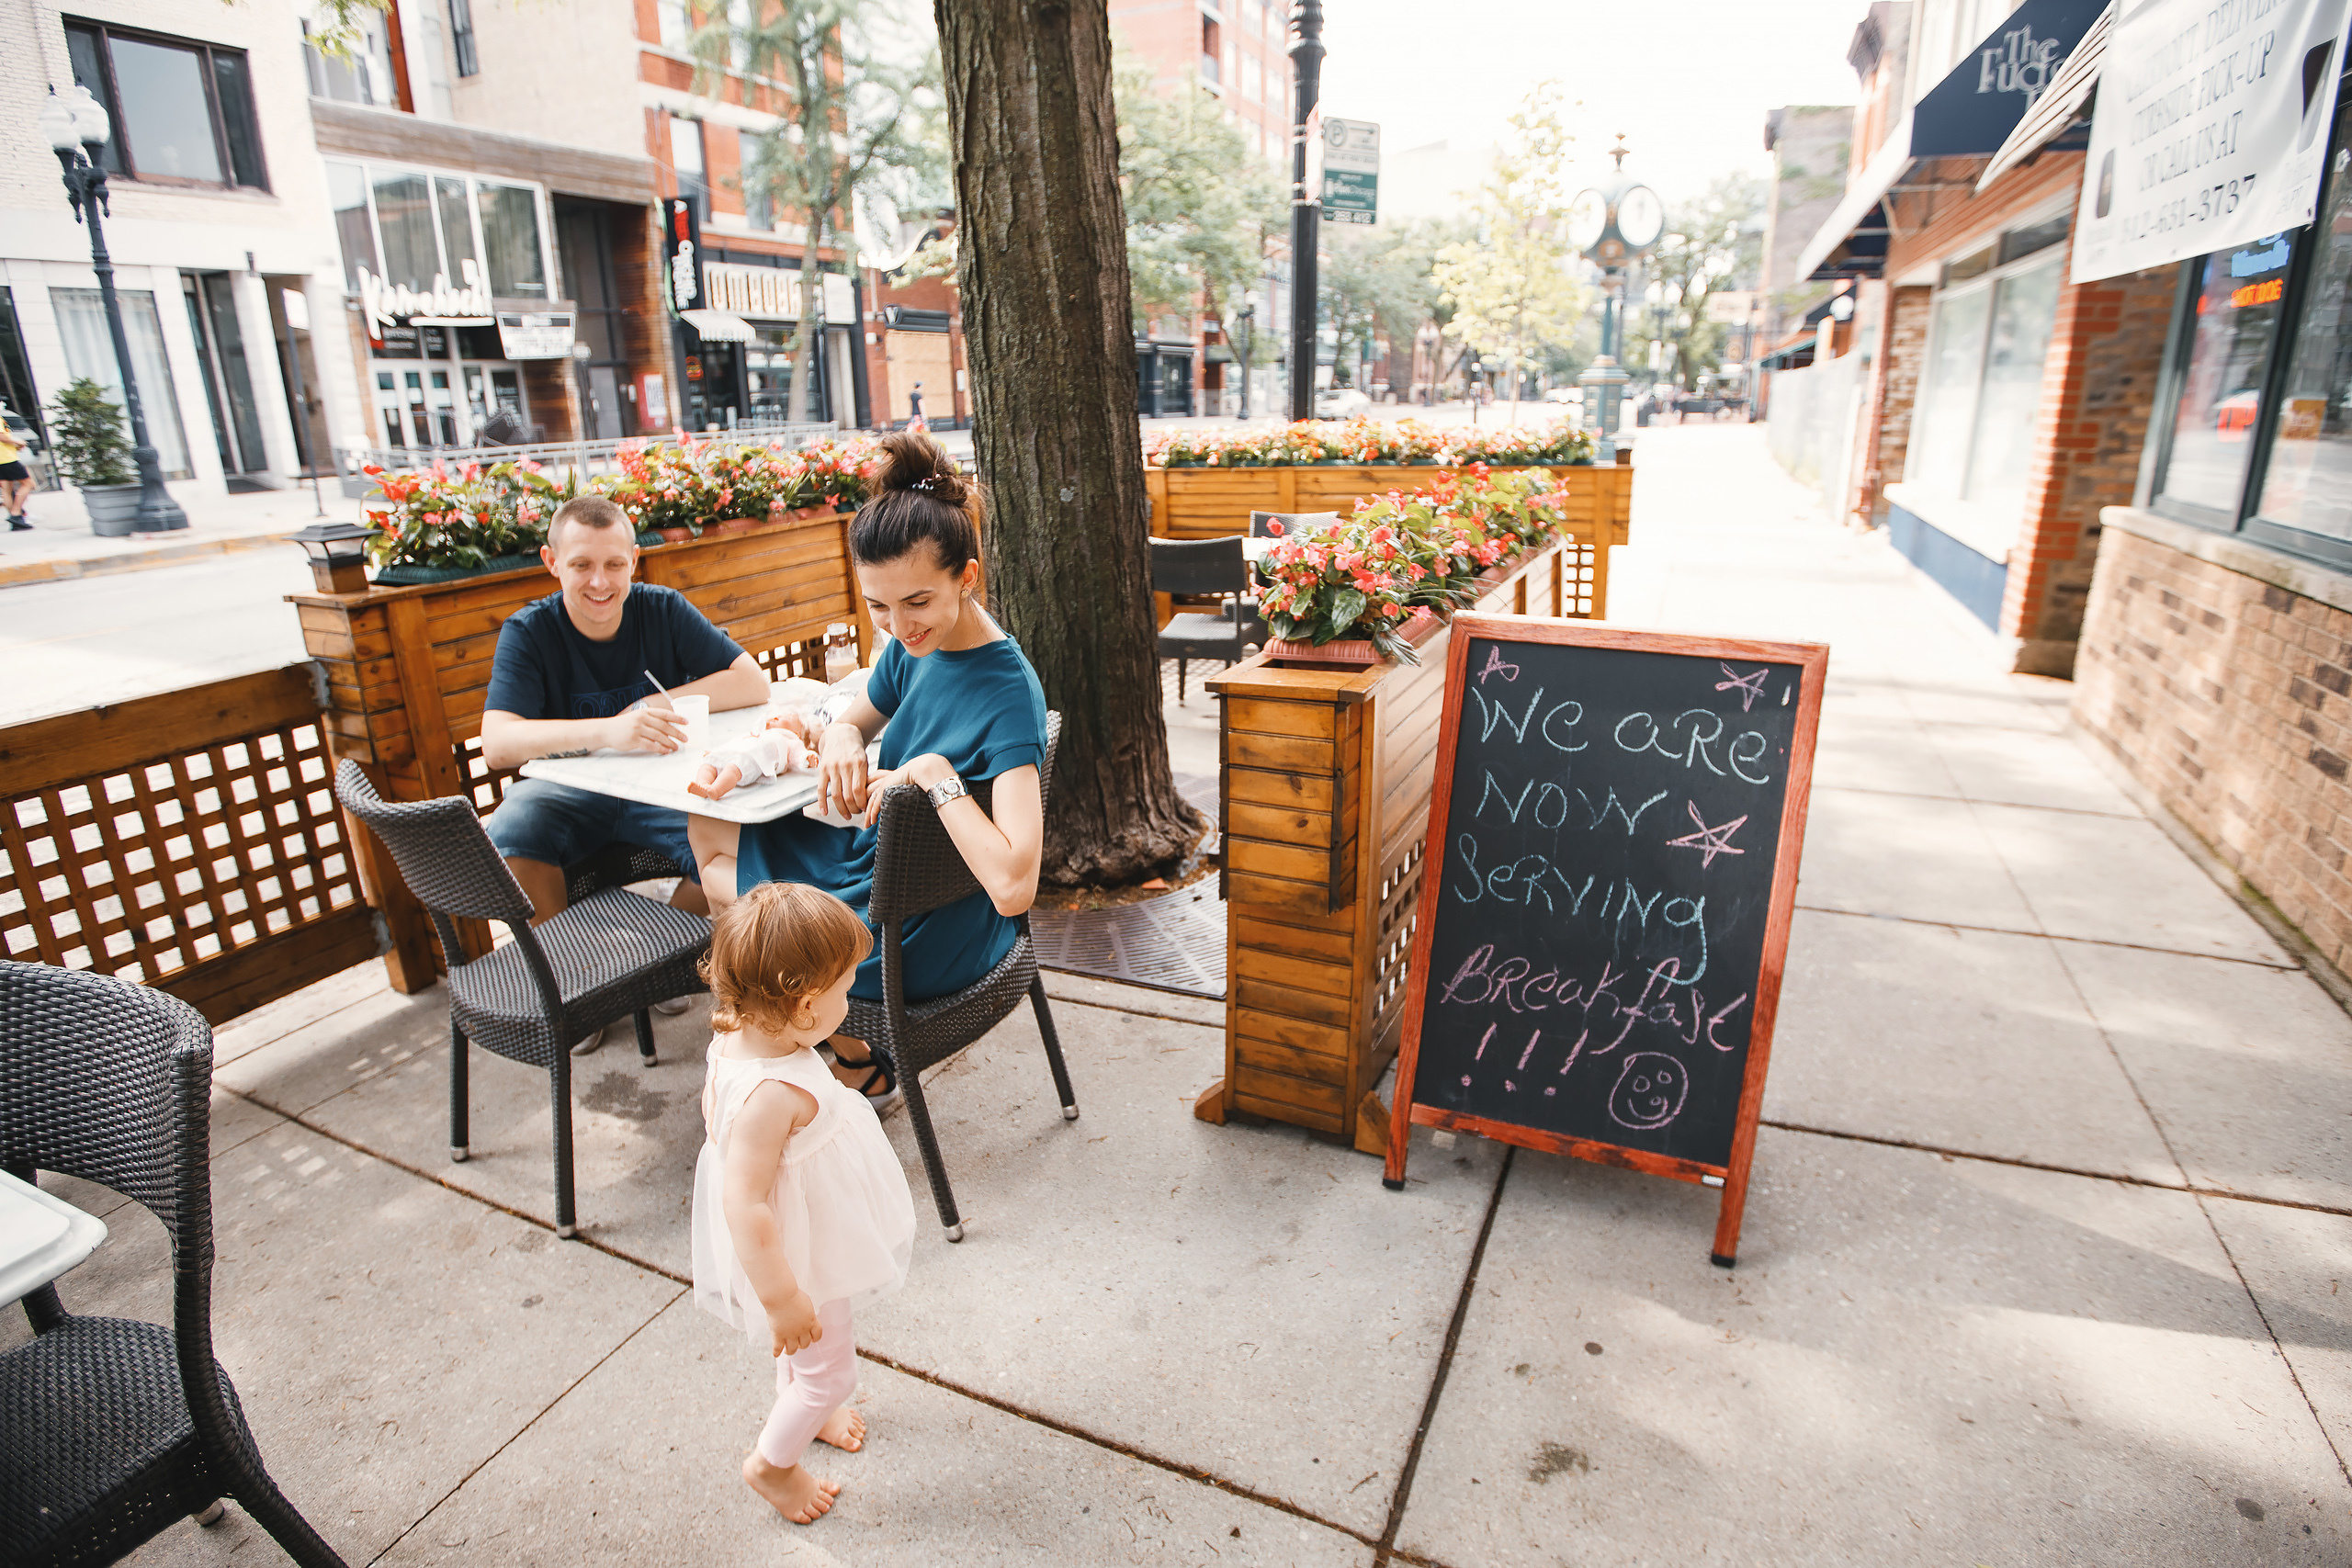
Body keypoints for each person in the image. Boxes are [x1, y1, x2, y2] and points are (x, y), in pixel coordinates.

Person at [686, 429, 1046, 1101]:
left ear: (966, 577)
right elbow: (853, 717)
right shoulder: (916, 645)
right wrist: (843, 739)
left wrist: (935, 774)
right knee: (707, 822)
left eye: (916, 602)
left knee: (718, 870)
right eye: (878, 605)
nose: (898, 626)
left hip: (924, 933)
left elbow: (1014, 887)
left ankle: (830, 1047)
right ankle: (822, 1037)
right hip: (883, 870)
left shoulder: (1006, 693)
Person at [480, 492, 769, 1049]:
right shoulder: (529, 630)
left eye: (614, 564)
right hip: (570, 794)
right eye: (581, 565)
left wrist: (652, 706)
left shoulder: (661, 608)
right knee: (514, 825)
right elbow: (497, 743)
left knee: (740, 835)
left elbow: (751, 682)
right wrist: (609, 730)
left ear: (634, 561)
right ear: (552, 563)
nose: (600, 581)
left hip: (661, 788)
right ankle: (569, 988)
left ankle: (674, 958)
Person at [690, 882, 916, 1527]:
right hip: (794, 1249)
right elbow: (745, 1202)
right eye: (845, 987)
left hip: (805, 1226)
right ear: (805, 1004)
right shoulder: (769, 1095)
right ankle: (773, 1464)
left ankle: (808, 1410)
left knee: (805, 1358)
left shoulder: (744, 1036)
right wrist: (783, 1297)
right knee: (831, 1374)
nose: (851, 997)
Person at [0, 408, 33, 530]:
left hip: (3, 459)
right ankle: (16, 514)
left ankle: (16, 523)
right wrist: (19, 442)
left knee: (7, 489)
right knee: (28, 484)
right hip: (7, 459)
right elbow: (2, 437)